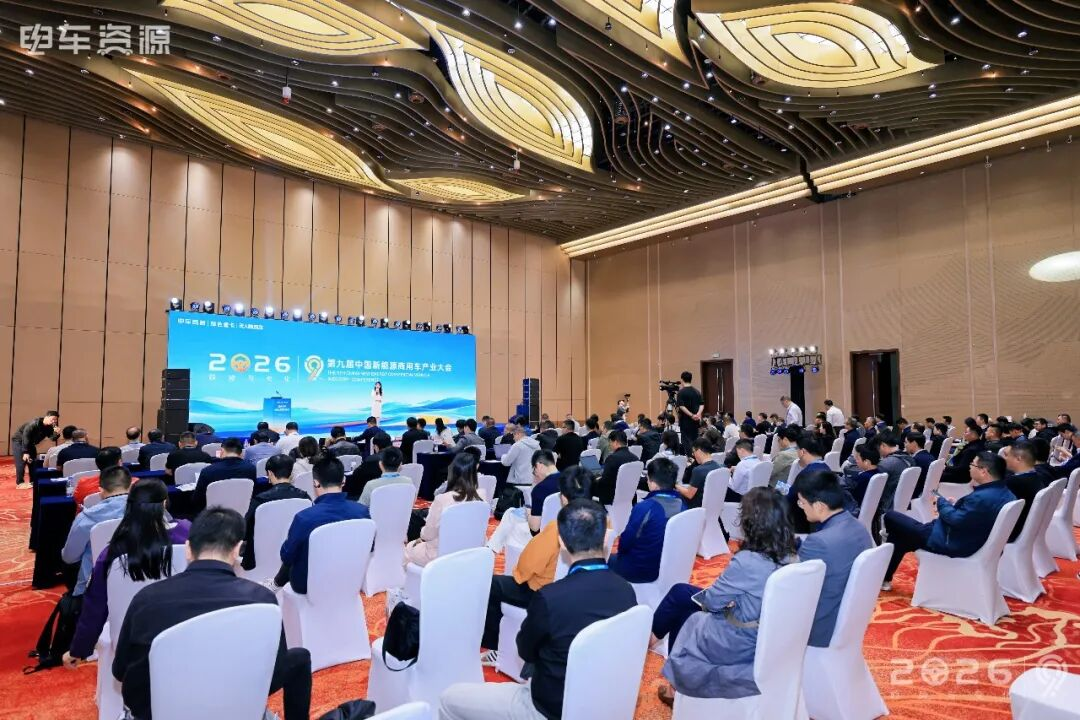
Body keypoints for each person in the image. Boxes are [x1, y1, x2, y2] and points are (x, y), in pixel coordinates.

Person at [441, 499, 636, 720]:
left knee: (449, 699)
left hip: (547, 707)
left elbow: (525, 651)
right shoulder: (626, 591)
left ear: (562, 542)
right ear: (604, 538)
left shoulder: (551, 598)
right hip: (599, 703)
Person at [111, 507, 312, 720]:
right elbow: (271, 674)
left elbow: (120, 671)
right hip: (236, 710)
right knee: (299, 658)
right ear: (237, 550)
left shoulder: (146, 600)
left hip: (161, 712)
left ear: (188, 549)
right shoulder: (262, 600)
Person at [652, 487, 796, 704]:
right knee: (681, 593)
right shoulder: (792, 557)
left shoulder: (749, 561)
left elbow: (712, 602)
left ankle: (678, 688)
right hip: (768, 634)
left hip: (738, 639)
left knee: (690, 616)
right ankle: (658, 649)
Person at [64, 478, 192, 667]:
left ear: (129, 505)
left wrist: (79, 649)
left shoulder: (113, 551)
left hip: (129, 639)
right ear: (165, 503)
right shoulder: (188, 534)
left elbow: (95, 605)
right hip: (184, 629)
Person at [480, 467, 598, 664]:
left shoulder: (558, 527)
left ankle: (494, 647)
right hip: (583, 591)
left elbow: (527, 566)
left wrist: (519, 574)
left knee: (491, 585)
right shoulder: (603, 522)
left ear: (564, 497)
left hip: (544, 593)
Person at [880, 451, 1016, 589]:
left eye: (973, 464)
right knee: (900, 536)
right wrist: (956, 506)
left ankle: (885, 554)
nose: (970, 467)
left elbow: (955, 519)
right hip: (969, 539)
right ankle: (884, 578)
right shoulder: (1008, 494)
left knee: (891, 516)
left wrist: (941, 502)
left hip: (949, 540)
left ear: (983, 471)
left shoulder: (981, 497)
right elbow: (973, 516)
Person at [795, 469, 874, 647]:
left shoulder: (818, 542)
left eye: (802, 503)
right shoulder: (858, 527)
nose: (801, 507)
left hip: (820, 626)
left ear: (819, 506)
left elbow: (799, 588)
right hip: (851, 616)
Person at [272, 455, 370, 593]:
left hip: (308, 585)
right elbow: (370, 547)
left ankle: (275, 585)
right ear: (343, 480)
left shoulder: (304, 518)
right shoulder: (362, 512)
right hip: (351, 578)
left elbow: (286, 556)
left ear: (316, 483)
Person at [609, 458, 685, 583]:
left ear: (653, 484)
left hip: (641, 570)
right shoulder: (683, 506)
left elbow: (625, 543)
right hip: (670, 567)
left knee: (606, 560)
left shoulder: (645, 508)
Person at [61, 465, 133, 596]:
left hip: (94, 586)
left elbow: (69, 558)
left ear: (101, 490)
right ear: (130, 487)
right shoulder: (150, 511)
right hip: (141, 578)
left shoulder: (86, 518)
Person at [404, 452, 483, 567]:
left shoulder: (442, 499)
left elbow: (428, 535)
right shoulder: (482, 496)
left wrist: (421, 537)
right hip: (469, 551)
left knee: (408, 548)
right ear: (476, 469)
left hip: (439, 554)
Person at [240, 454, 310, 571]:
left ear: (270, 473)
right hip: (294, 560)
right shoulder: (304, 498)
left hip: (259, 561)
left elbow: (245, 531)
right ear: (291, 473)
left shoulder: (260, 500)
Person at [193, 437, 257, 512]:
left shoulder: (208, 471)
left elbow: (197, 499)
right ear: (241, 452)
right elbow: (252, 493)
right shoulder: (251, 469)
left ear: (222, 451)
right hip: (243, 512)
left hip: (214, 513)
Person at [1003, 443, 1045, 542]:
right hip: (1028, 527)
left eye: (1007, 455)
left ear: (1018, 459)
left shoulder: (1014, 482)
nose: (1004, 458)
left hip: (1011, 532)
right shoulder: (1037, 476)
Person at [12, 409, 60, 488]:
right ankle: (20, 483)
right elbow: (26, 437)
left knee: (33, 462)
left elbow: (52, 438)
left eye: (56, 420)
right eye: (53, 419)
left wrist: (56, 433)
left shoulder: (49, 427)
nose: (54, 421)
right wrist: (25, 452)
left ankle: (33, 481)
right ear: (47, 417)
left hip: (30, 443)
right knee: (22, 461)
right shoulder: (34, 424)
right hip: (19, 441)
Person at [346, 433, 393, 499]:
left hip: (373, 495)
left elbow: (357, 475)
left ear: (376, 446)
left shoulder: (371, 460)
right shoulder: (398, 457)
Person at [876, 433, 915, 512]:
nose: (879, 451)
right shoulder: (910, 459)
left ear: (883, 445)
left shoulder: (885, 464)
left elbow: (876, 490)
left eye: (878, 448)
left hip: (886, 507)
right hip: (904, 503)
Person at [596, 429, 635, 505]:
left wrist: (596, 480)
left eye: (610, 442)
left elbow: (605, 482)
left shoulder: (612, 458)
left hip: (611, 498)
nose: (610, 445)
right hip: (629, 498)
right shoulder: (635, 458)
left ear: (615, 442)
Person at [677, 438, 719, 508]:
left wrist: (675, 485)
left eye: (693, 452)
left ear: (699, 451)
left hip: (695, 508)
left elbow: (689, 494)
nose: (693, 454)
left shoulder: (698, 470)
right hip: (712, 506)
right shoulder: (718, 466)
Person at [526, 450, 561, 533]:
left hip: (547, 534)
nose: (535, 475)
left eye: (534, 470)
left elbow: (535, 527)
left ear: (539, 466)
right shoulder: (571, 479)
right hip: (569, 532)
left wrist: (528, 512)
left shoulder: (539, 489)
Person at [676, 371, 703, 454]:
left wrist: (691, 415)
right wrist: (698, 414)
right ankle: (696, 456)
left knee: (686, 441)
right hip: (696, 421)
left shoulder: (681, 392)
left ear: (682, 379)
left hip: (685, 421)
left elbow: (681, 406)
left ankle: (690, 458)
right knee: (695, 440)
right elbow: (702, 404)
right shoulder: (697, 391)